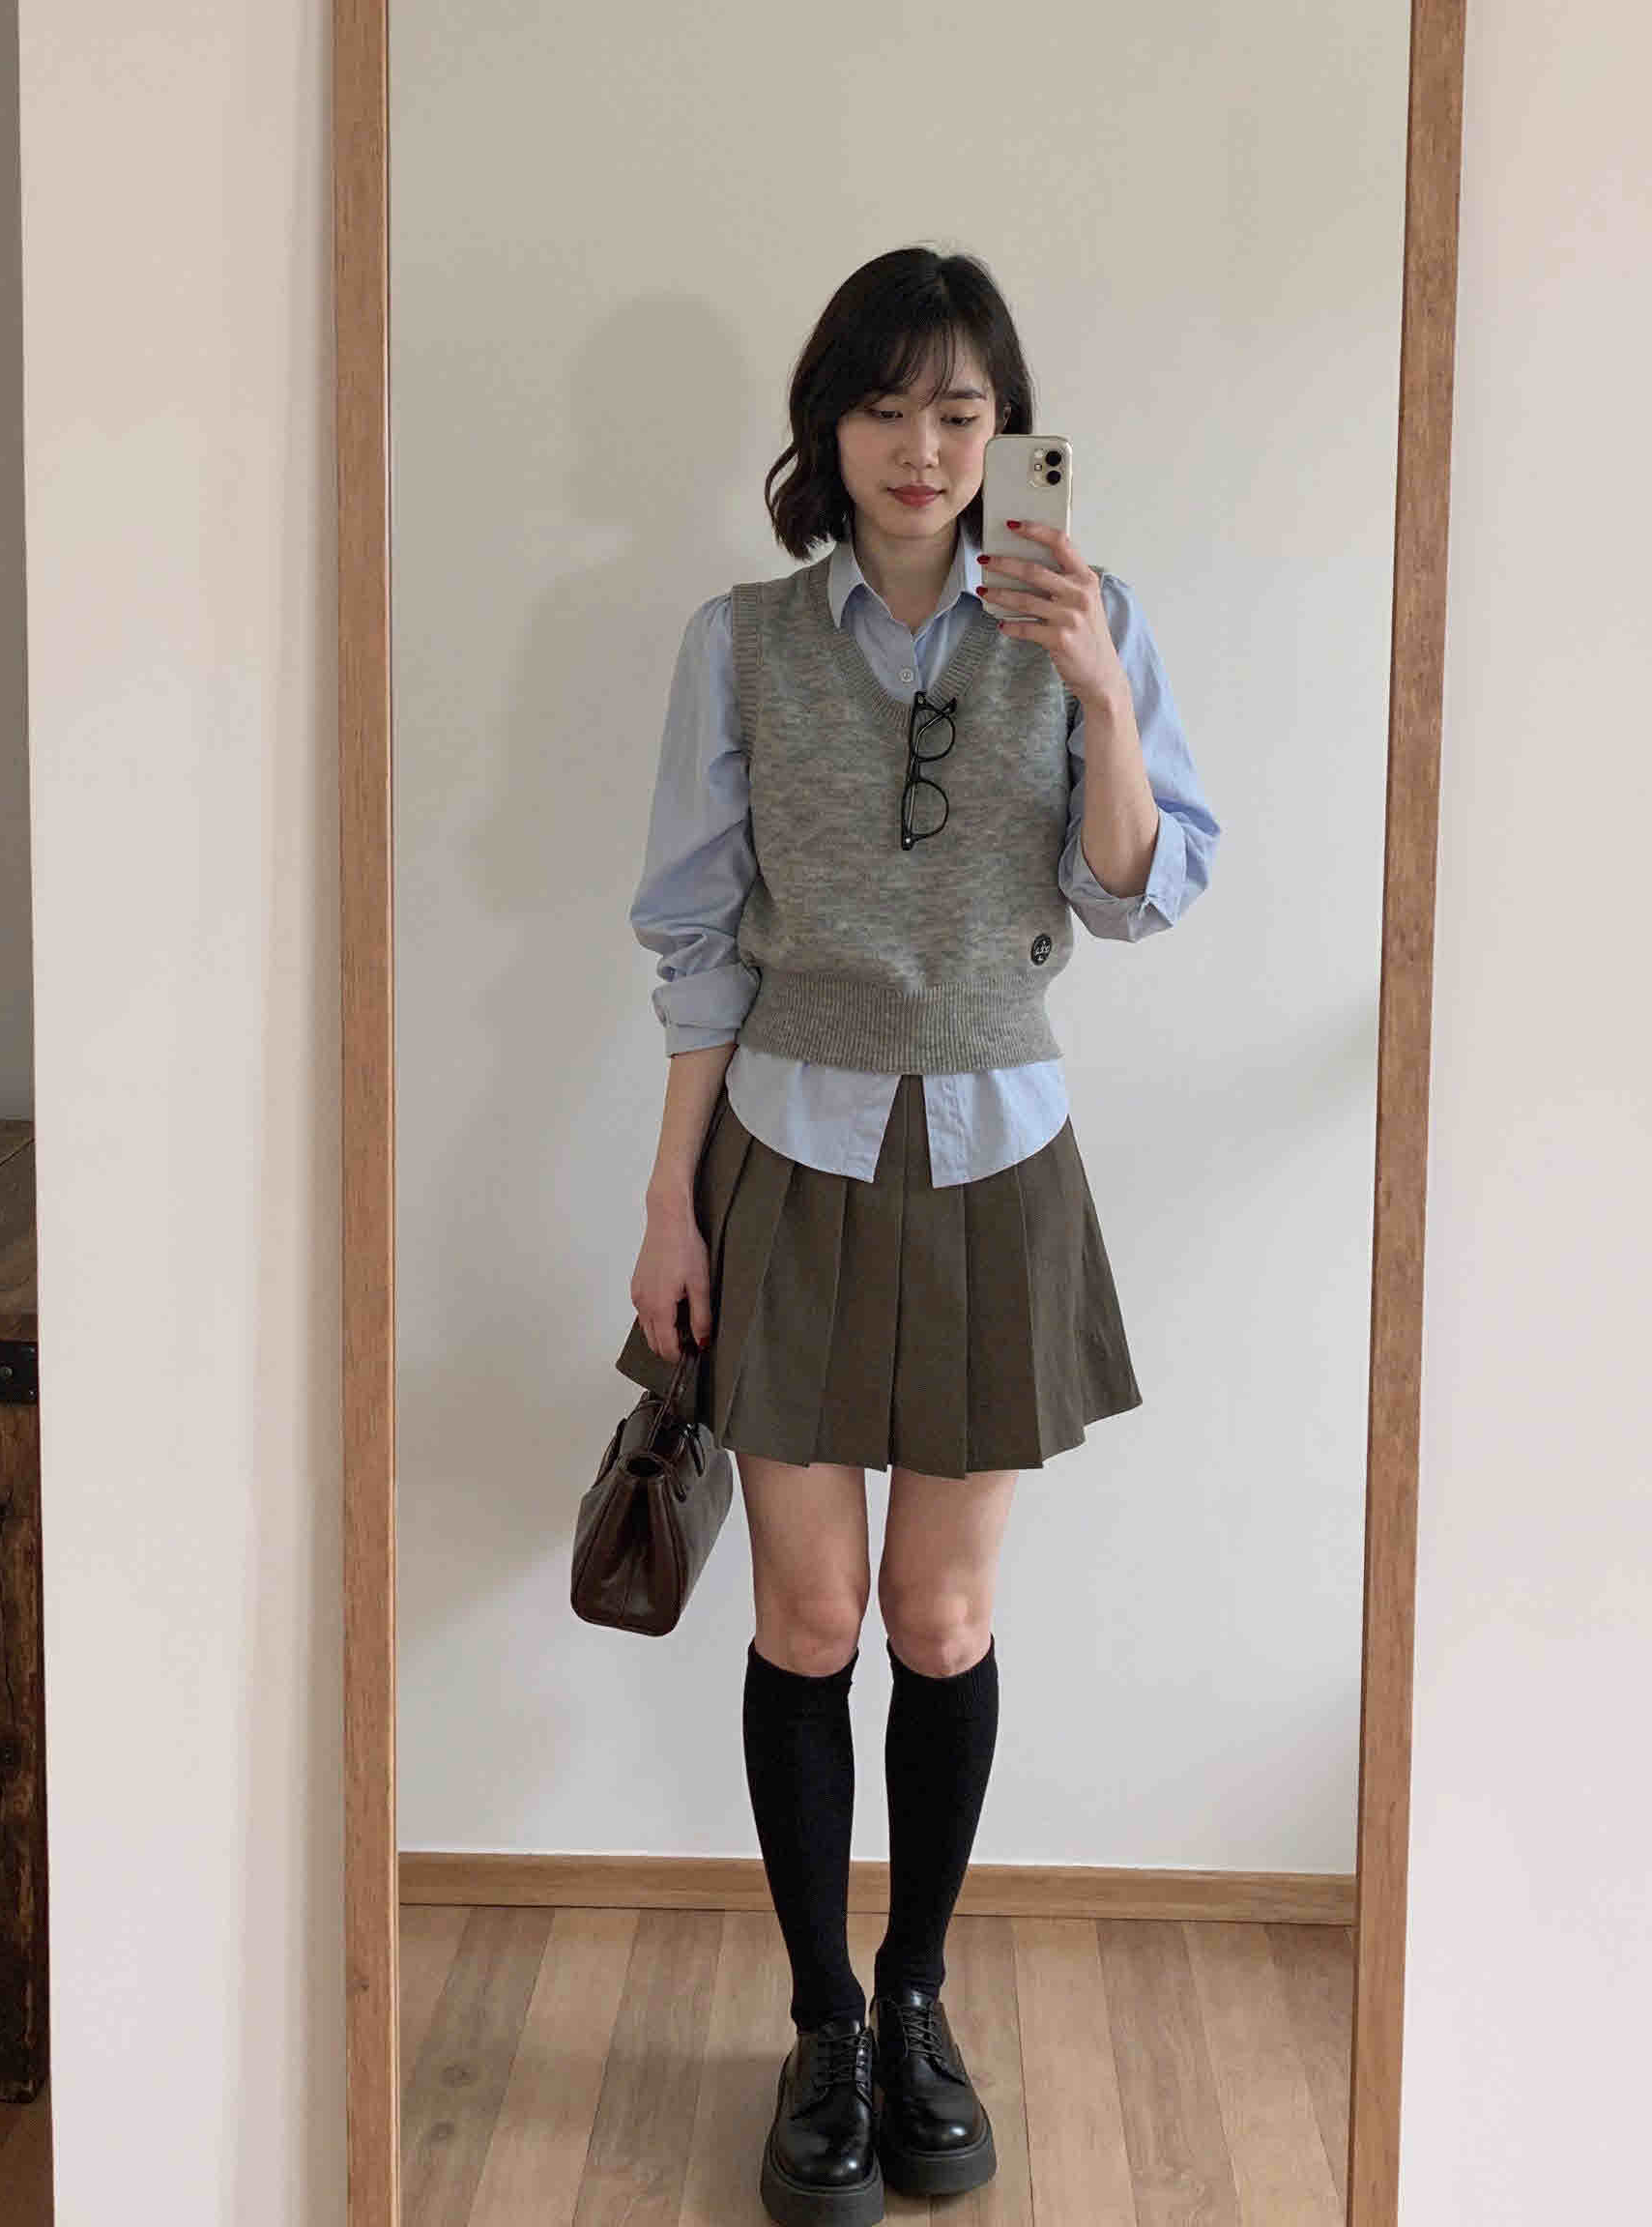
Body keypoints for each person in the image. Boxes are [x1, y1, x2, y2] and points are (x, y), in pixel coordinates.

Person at [616, 244, 1216, 2226]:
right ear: (829, 427)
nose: (924, 447)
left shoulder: (1087, 622)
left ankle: (919, 1997)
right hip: (783, 1158)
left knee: (943, 1624)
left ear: (1010, 434)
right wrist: (667, 1205)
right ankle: (822, 2029)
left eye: (963, 411)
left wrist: (1100, 688)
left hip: (996, 1167)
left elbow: (1134, 892)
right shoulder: (740, 643)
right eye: (885, 407)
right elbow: (698, 942)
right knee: (806, 1623)